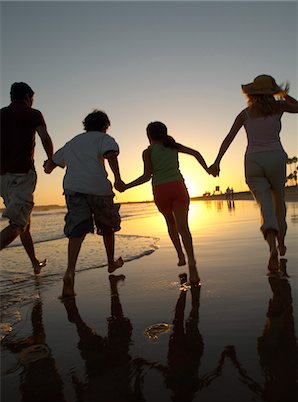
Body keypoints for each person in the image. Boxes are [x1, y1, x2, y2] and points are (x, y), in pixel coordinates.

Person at [209, 75, 298, 274]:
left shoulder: (245, 113)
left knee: (266, 206)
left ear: (251, 93)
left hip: (253, 161)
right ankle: (281, 243)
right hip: (275, 157)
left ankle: (272, 248)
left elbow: (229, 137)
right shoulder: (278, 107)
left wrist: (217, 161)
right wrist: (281, 93)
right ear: (271, 91)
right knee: (279, 204)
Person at [43, 109, 125, 297]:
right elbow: (111, 155)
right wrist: (118, 179)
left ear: (85, 126)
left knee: (77, 229)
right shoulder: (104, 138)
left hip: (74, 190)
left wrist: (48, 165)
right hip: (99, 189)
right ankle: (111, 263)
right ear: (105, 126)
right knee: (107, 227)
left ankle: (70, 271)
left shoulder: (72, 142)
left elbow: (49, 167)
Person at [119, 121, 212, 284]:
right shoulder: (173, 146)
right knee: (183, 227)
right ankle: (191, 261)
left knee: (170, 223)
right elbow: (196, 153)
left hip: (161, 190)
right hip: (178, 187)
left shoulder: (147, 152)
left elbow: (146, 176)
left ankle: (180, 255)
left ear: (149, 136)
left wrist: (126, 186)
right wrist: (208, 169)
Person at [0, 82, 54, 274]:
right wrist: (51, 160)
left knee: (24, 223)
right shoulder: (33, 114)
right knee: (18, 224)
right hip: (21, 174)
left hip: (2, 179)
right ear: (27, 96)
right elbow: (45, 137)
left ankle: (34, 263)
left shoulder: (1, 114)